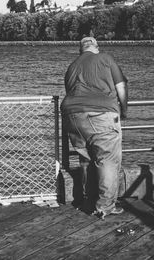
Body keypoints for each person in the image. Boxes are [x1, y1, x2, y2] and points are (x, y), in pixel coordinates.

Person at [61, 37, 128, 219]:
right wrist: (124, 109)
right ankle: (105, 206)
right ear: (97, 48)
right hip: (101, 114)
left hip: (72, 116)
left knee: (86, 160)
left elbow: (70, 91)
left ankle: (88, 201)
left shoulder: (72, 66)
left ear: (80, 50)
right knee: (107, 160)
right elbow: (121, 86)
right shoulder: (106, 58)